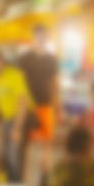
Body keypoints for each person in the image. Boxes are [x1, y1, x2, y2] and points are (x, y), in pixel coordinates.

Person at [0, 48, 33, 184]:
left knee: (14, 154)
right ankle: (11, 184)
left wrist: (18, 127)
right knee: (5, 154)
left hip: (21, 118)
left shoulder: (15, 75)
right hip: (7, 120)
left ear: (1, 61)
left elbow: (23, 102)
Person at [17, 24, 59, 168]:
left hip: (46, 100)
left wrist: (58, 103)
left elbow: (54, 81)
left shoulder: (51, 59)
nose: (42, 39)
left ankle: (45, 162)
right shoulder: (25, 58)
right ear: (34, 37)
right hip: (28, 103)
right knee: (27, 136)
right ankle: (26, 164)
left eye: (45, 37)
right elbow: (20, 81)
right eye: (40, 36)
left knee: (47, 136)